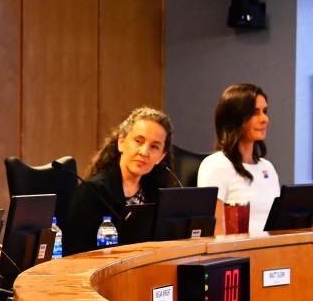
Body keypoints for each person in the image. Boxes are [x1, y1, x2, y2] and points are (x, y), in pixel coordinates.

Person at [65, 107, 177, 255]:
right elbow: (75, 254)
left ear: (161, 157)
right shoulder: (93, 192)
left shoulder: (158, 195)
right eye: (138, 141)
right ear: (121, 142)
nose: (144, 152)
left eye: (154, 147)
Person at [197, 83, 280, 234]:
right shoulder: (216, 165)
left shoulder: (267, 167)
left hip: (274, 254)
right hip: (239, 256)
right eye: (255, 112)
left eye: (265, 111)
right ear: (235, 117)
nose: (264, 119)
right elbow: (215, 232)